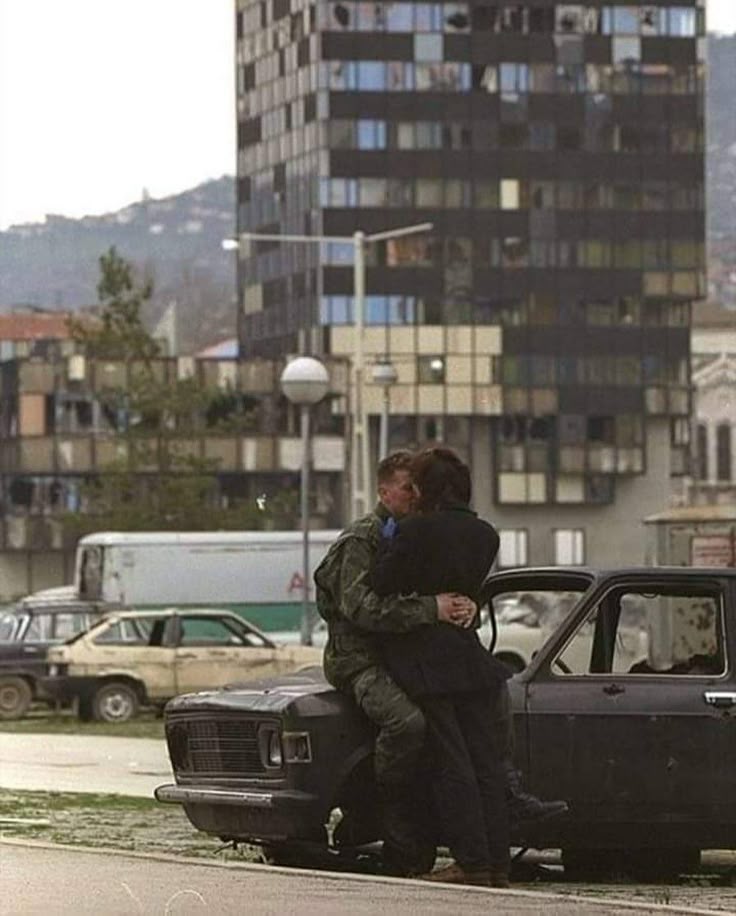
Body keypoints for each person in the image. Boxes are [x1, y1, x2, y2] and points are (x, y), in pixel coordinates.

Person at [314, 450, 475, 874]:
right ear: (384, 491)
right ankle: (382, 807)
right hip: (358, 658)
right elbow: (360, 608)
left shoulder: (412, 534)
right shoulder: (362, 540)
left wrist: (461, 607)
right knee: (407, 723)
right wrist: (430, 609)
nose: (414, 496)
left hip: (404, 654)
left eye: (418, 488)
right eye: (407, 488)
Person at [370, 446, 511, 887]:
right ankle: (498, 864)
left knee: (454, 763)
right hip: (471, 659)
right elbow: (468, 588)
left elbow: (380, 584)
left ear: (426, 488)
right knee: (487, 763)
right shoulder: (486, 535)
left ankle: (471, 863)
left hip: (427, 662)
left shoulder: (414, 532)